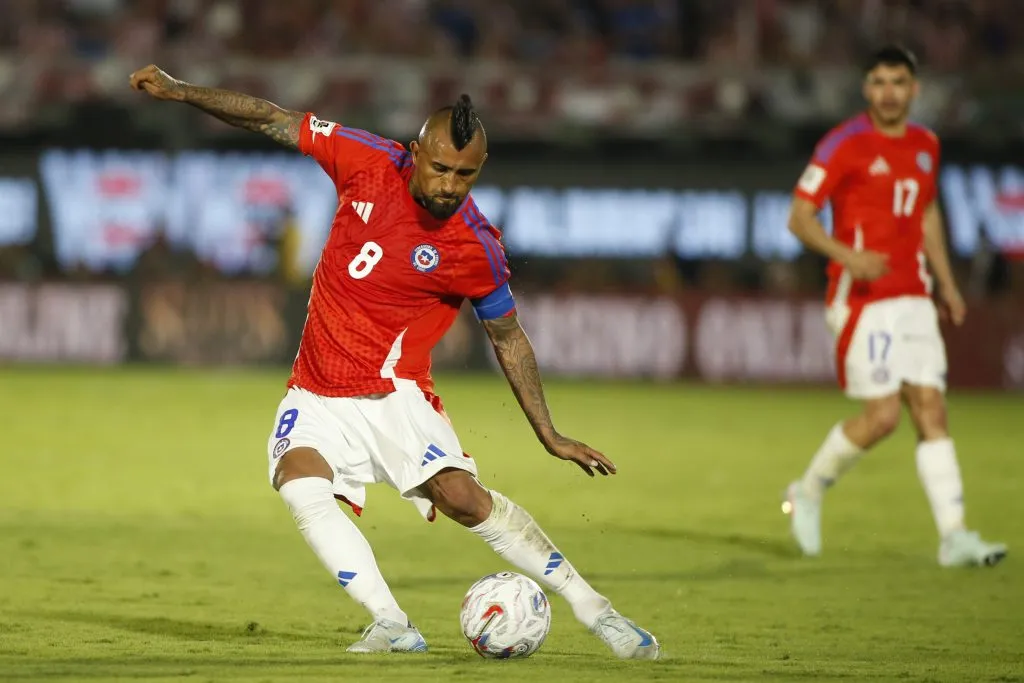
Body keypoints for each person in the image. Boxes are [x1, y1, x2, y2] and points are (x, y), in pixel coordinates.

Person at [129, 64, 660, 658]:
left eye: (466, 174)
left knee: (463, 499)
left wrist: (549, 434)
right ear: (415, 154)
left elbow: (508, 337)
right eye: (441, 168)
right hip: (314, 392)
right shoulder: (364, 159)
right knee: (298, 481)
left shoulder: (475, 245)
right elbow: (272, 118)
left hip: (392, 395)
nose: (451, 185)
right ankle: (391, 623)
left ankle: (598, 612)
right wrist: (180, 92)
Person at [783, 46, 1006, 568]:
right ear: (866, 88)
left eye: (898, 81)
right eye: (879, 81)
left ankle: (955, 536)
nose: (888, 91)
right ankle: (809, 490)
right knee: (883, 417)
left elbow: (926, 210)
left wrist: (947, 284)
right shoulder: (843, 144)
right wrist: (848, 256)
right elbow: (799, 216)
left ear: (915, 89)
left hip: (914, 294)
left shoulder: (927, 145)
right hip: (861, 299)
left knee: (930, 407)